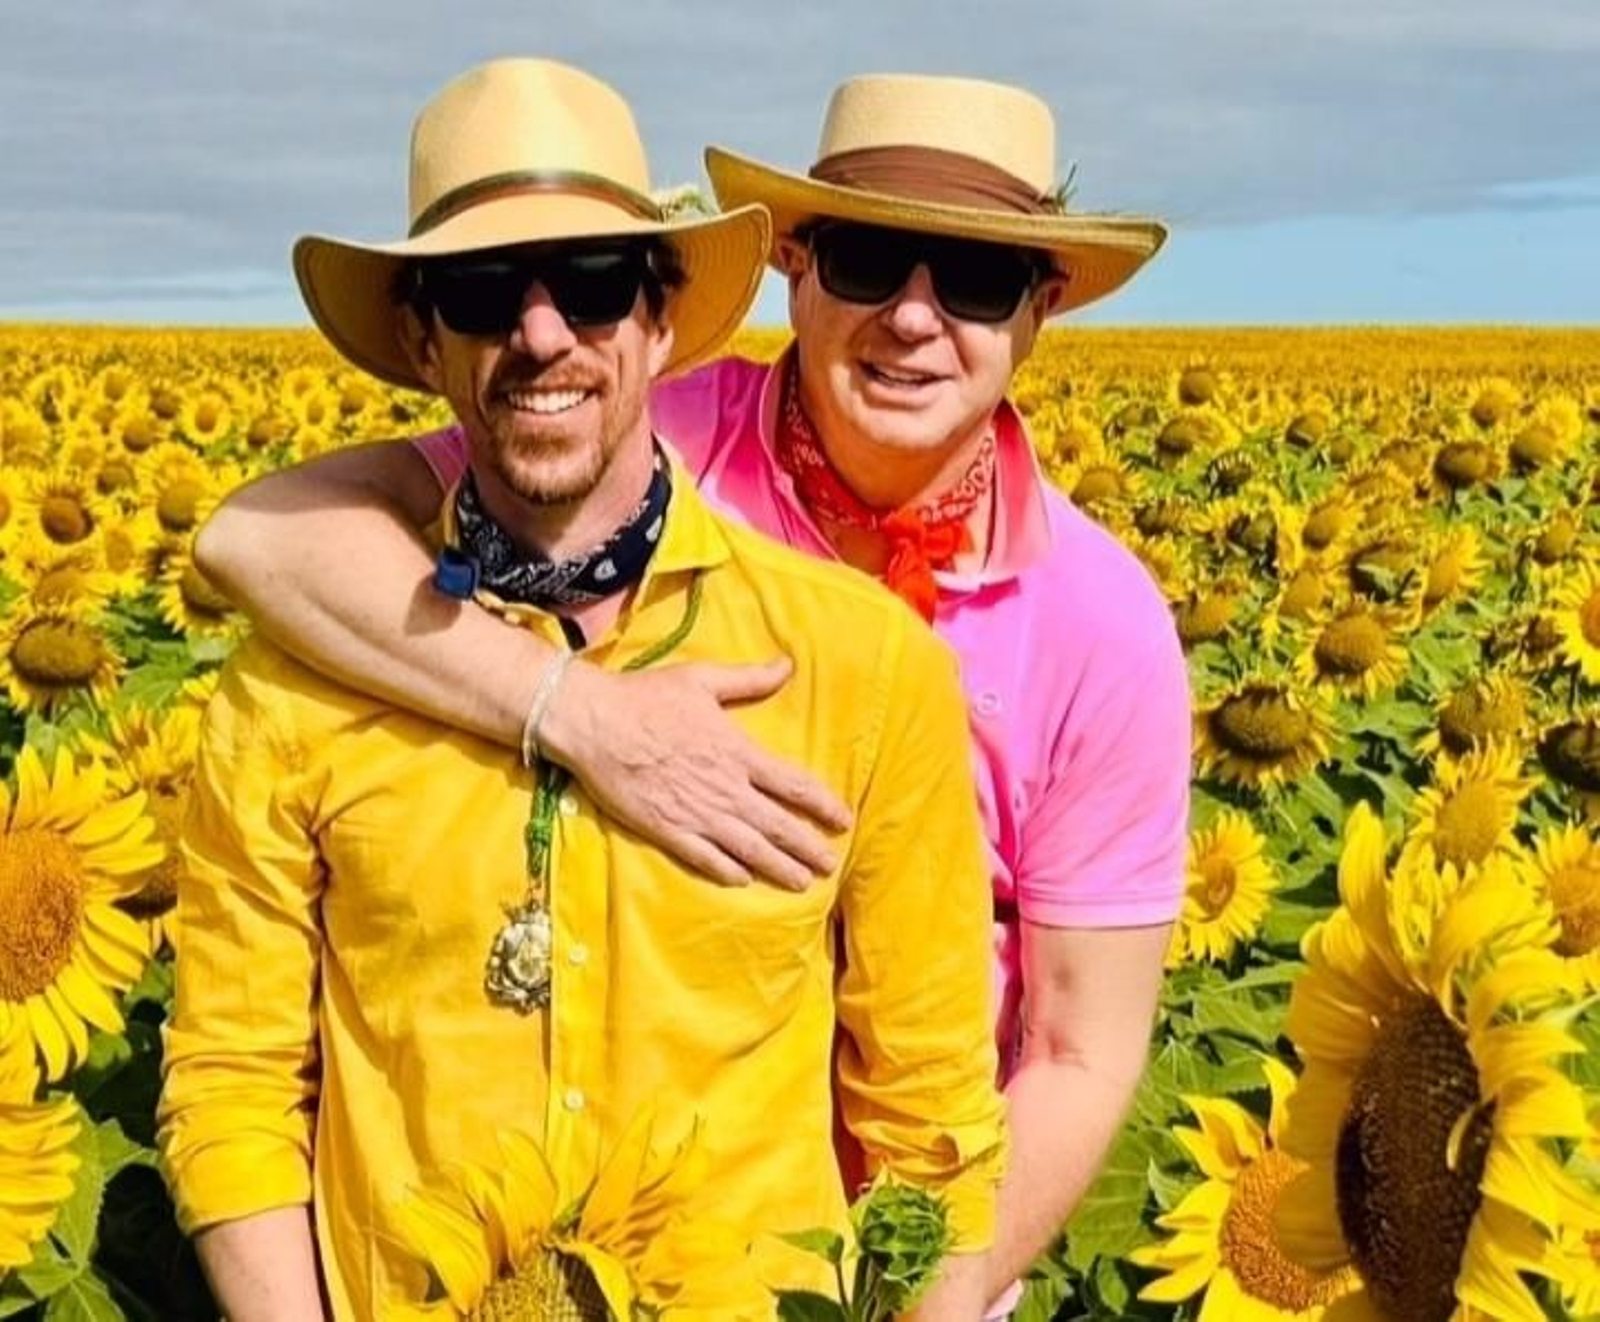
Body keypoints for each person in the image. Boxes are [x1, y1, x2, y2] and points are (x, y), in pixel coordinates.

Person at [197, 70, 1190, 1314]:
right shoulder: (342, 637)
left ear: (661, 318)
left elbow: (1006, 1083)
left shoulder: (987, 645)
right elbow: (235, 1079)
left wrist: (934, 1293)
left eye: (600, 279)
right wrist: (576, 708)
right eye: (873, 258)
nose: (544, 331)